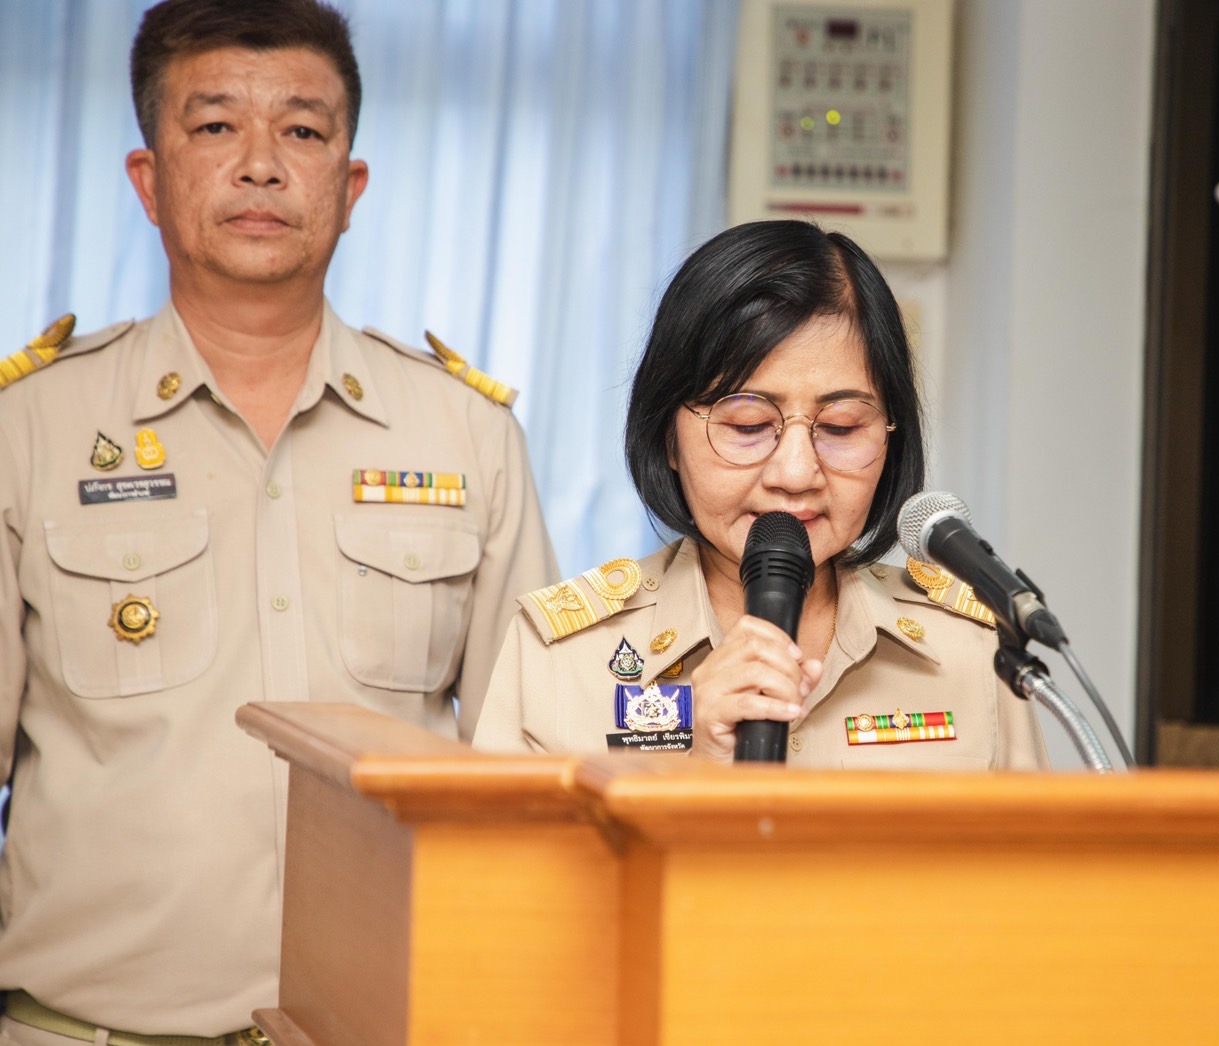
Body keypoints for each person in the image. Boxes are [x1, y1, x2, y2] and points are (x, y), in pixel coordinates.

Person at [0, 1, 557, 1041]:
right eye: (215, 126)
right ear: (146, 179)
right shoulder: (29, 428)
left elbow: (525, 774)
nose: (260, 164)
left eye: (302, 130)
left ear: (348, 187)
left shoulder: (465, 434)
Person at [474, 220, 1047, 770]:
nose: (797, 474)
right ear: (667, 436)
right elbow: (503, 871)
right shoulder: (558, 657)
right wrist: (693, 770)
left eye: (842, 426)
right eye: (747, 425)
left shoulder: (975, 648)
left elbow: (1038, 870)